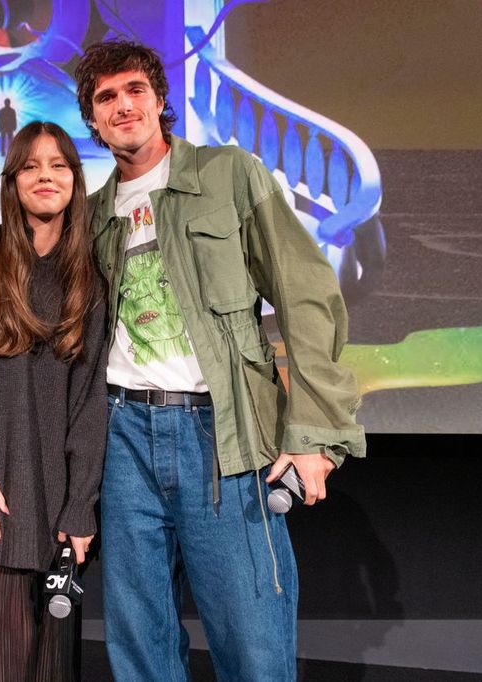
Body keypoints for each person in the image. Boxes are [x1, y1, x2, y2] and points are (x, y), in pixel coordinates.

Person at [74, 40, 366, 681]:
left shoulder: (229, 174)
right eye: (106, 97)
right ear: (92, 119)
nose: (123, 106)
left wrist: (316, 430)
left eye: (135, 90)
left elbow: (306, 295)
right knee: (139, 645)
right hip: (122, 440)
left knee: (253, 643)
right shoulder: (93, 216)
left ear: (159, 99)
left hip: (220, 435)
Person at [0, 121, 107, 681]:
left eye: (58, 165)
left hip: (56, 512)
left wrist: (80, 505)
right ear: (11, 180)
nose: (45, 176)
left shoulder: (89, 276)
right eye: (30, 166)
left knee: (49, 669)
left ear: (75, 180)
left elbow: (89, 401)